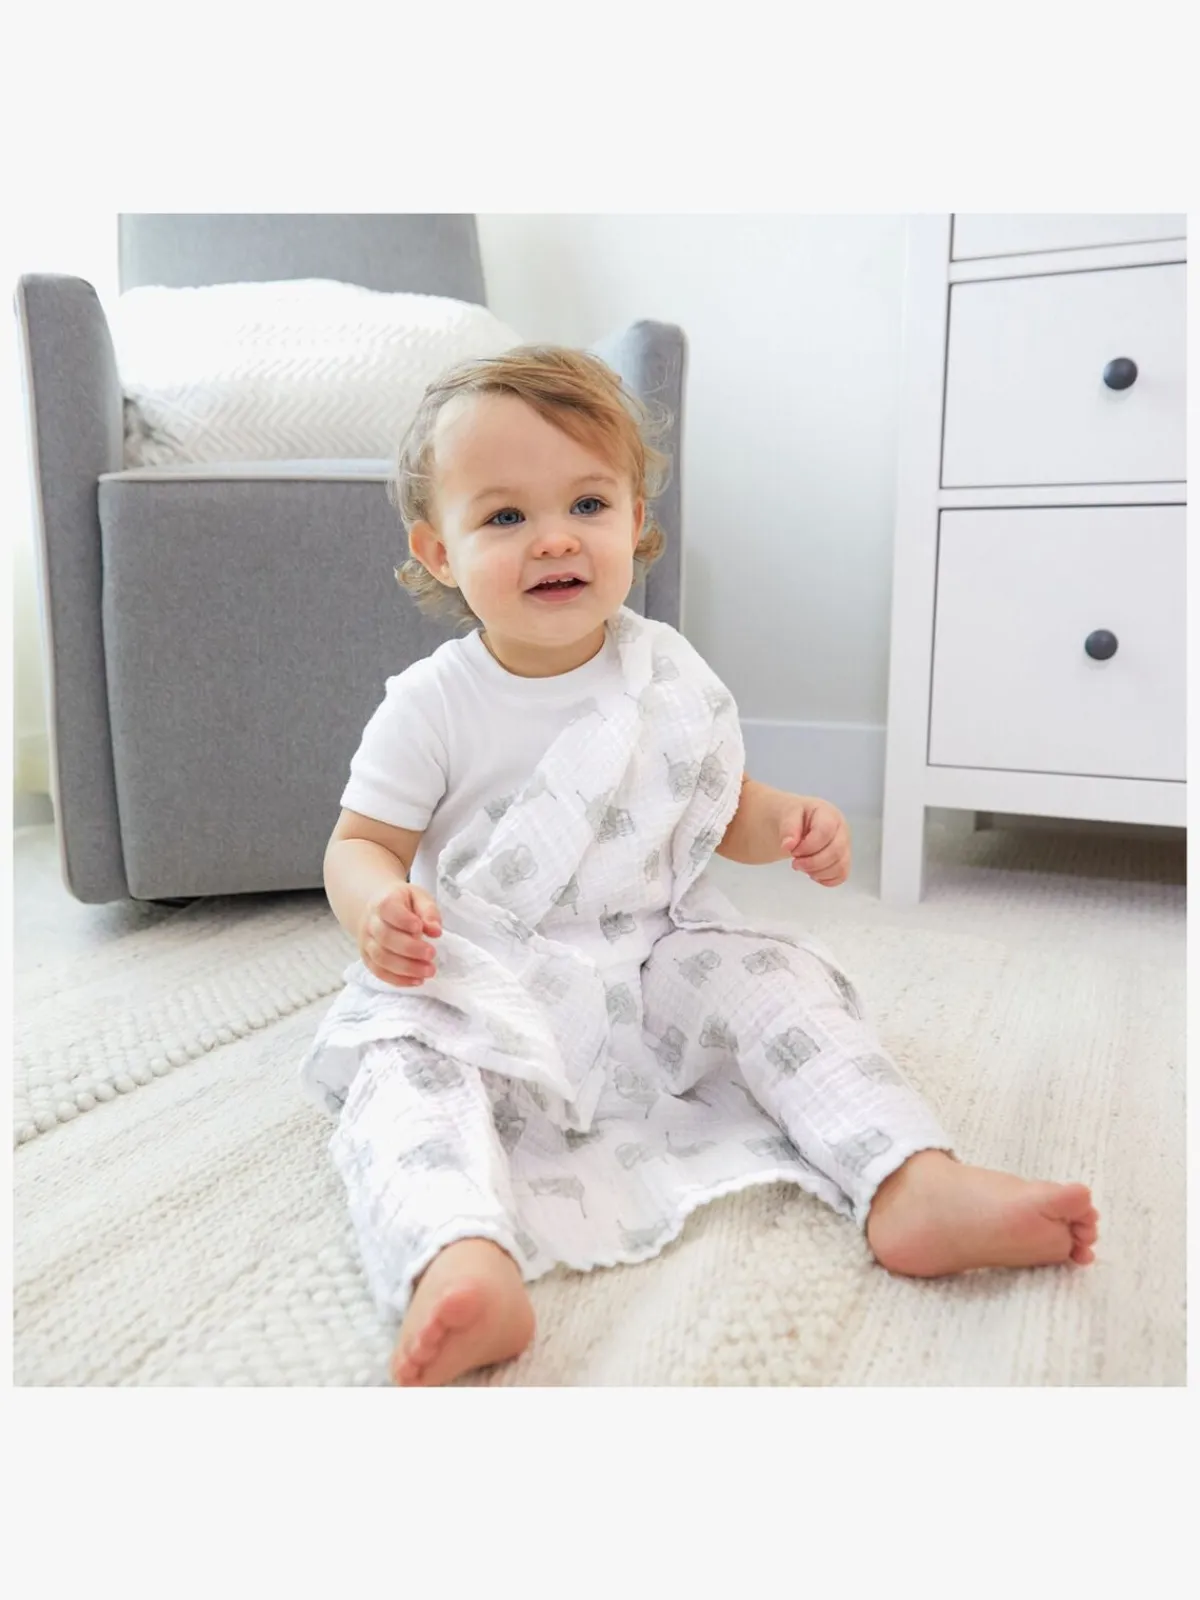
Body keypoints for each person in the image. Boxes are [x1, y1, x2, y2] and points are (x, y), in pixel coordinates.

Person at [308, 345, 1099, 1388]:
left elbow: (722, 808)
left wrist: (788, 823)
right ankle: (457, 1253)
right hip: (485, 972)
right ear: (439, 551)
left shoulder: (664, 673)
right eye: (503, 516)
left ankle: (909, 1176)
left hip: (651, 955)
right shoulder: (432, 703)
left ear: (635, 520)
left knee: (781, 985)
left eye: (587, 503)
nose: (555, 537)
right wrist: (379, 907)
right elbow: (361, 844)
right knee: (403, 1071)